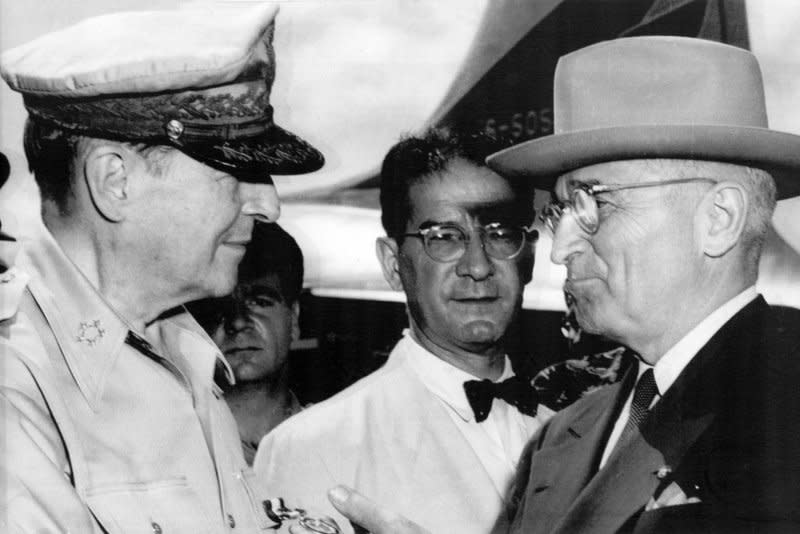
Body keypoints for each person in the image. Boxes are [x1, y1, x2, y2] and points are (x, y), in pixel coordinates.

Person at [312, 36, 800, 534]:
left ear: (720, 218)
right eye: (562, 210)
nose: (559, 246)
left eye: (594, 204)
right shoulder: (561, 438)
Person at [0, 4, 326, 532]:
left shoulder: (186, 355)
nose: (268, 205)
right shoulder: (17, 388)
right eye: (232, 171)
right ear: (115, 181)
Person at [254, 128, 553, 534]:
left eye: (499, 235)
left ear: (529, 257)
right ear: (393, 264)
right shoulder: (313, 446)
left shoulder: (582, 432)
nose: (478, 266)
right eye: (444, 238)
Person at [189, 222, 306, 466]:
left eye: (260, 302)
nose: (239, 321)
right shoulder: (175, 450)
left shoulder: (336, 441)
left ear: (293, 319)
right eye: (218, 306)